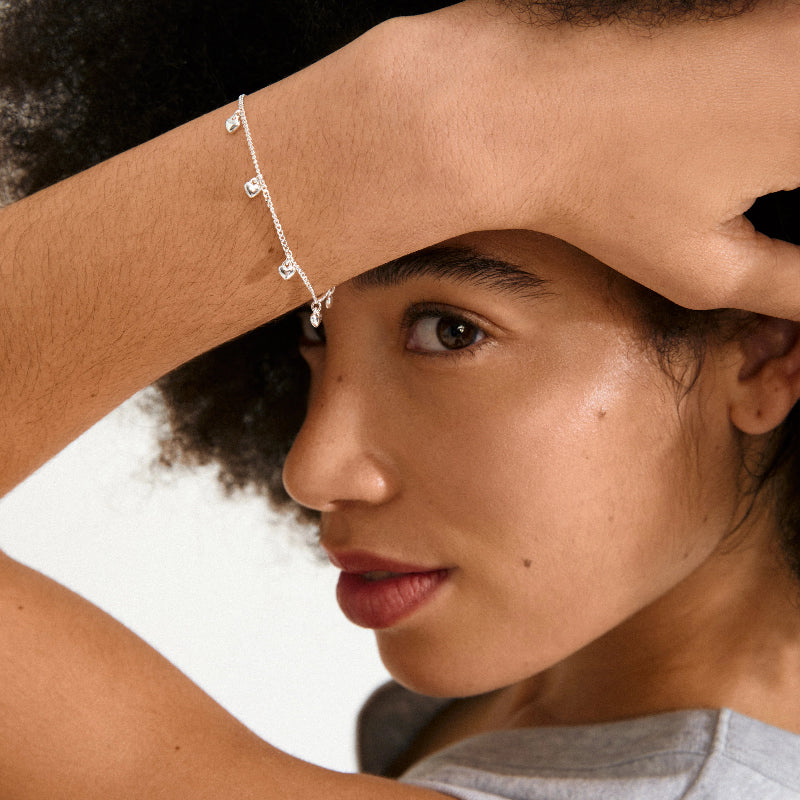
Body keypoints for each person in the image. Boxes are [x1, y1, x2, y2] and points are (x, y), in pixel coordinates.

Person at [0, 0, 799, 797]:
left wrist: (424, 115)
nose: (314, 470)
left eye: (450, 331)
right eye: (311, 331)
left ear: (766, 352)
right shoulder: (555, 677)